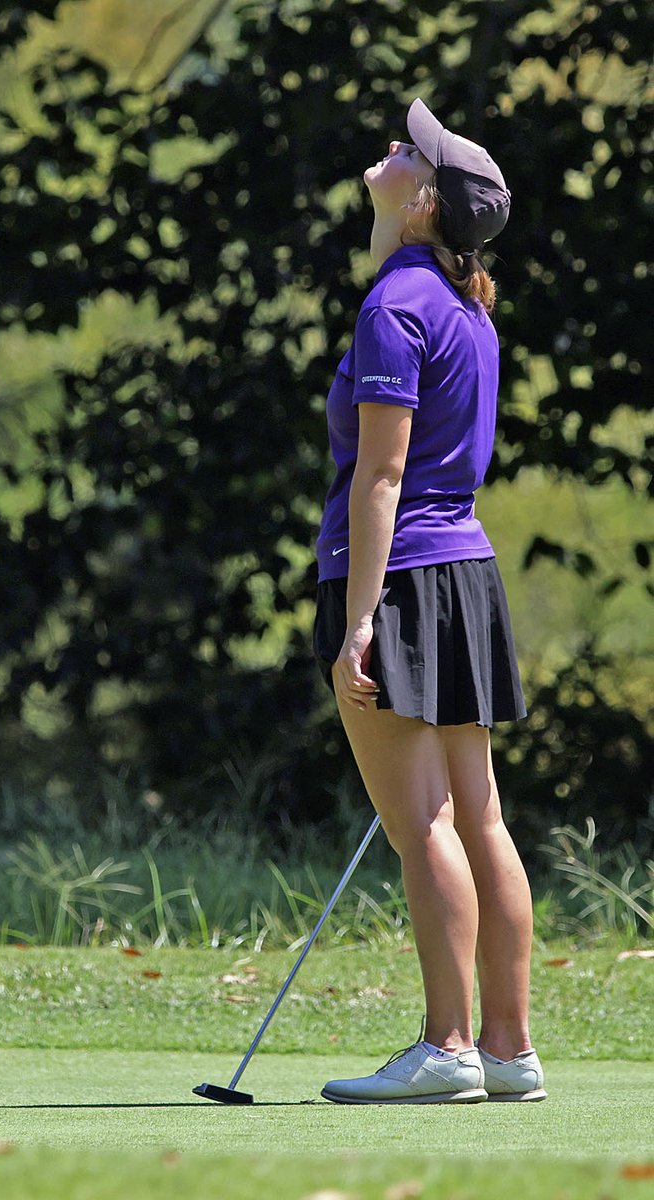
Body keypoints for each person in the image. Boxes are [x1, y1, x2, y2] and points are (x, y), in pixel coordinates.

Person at [313, 98, 546, 1105]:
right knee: (476, 817)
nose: (392, 150)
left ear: (421, 204)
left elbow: (379, 478)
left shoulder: (393, 307)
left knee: (421, 825)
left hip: (400, 575)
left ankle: (445, 1046)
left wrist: (359, 621)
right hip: (465, 573)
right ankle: (505, 1050)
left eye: (409, 152)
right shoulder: (464, 305)